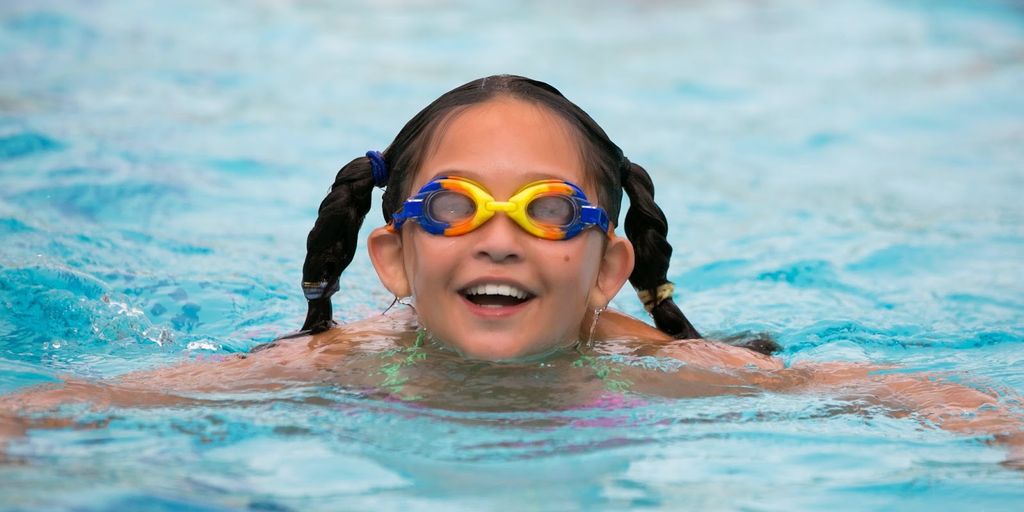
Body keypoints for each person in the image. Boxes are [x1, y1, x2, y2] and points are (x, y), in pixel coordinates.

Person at [1, 75, 1021, 466]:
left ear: (606, 267)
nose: (499, 238)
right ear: (393, 256)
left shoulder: (668, 369)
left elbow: (888, 395)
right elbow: (90, 401)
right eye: (453, 207)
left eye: (544, 209)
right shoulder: (331, 367)